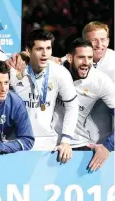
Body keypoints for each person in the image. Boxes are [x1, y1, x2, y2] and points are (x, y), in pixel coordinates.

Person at [8, 29, 78, 159]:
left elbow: (72, 106)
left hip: (47, 144)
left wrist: (66, 141)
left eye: (48, 48)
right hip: (16, 142)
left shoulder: (59, 73)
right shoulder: (13, 70)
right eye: (39, 49)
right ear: (28, 50)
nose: (45, 54)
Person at [53, 38, 115, 171]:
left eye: (90, 58)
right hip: (47, 143)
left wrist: (108, 146)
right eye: (81, 57)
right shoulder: (54, 71)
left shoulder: (100, 81)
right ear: (70, 58)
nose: (87, 63)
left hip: (76, 145)